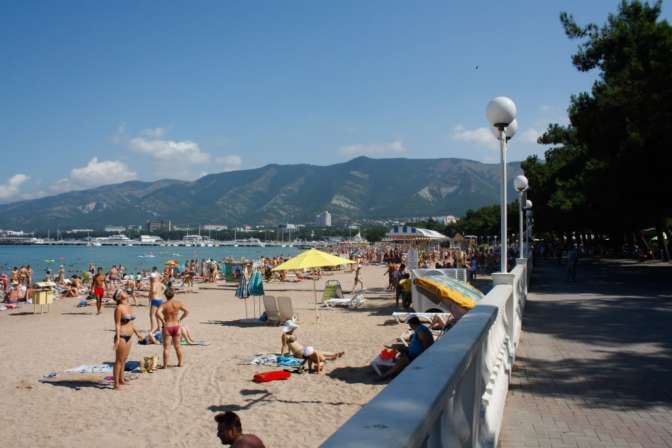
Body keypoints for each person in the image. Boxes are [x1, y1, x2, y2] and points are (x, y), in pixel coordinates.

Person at [112, 289, 141, 390]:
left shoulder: (129, 306)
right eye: (122, 292)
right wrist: (117, 338)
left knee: (124, 359)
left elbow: (131, 323)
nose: (125, 292)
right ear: (119, 297)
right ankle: (116, 383)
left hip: (130, 335)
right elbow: (117, 324)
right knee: (119, 360)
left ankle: (121, 379)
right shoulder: (119, 308)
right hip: (122, 336)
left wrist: (137, 334)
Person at [157, 288, 189, 368]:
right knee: (178, 346)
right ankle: (180, 363)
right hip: (176, 326)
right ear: (173, 295)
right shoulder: (178, 303)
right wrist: (180, 319)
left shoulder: (164, 305)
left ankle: (165, 365)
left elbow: (157, 313)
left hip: (167, 326)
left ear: (165, 295)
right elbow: (187, 311)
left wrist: (162, 321)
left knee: (166, 348)